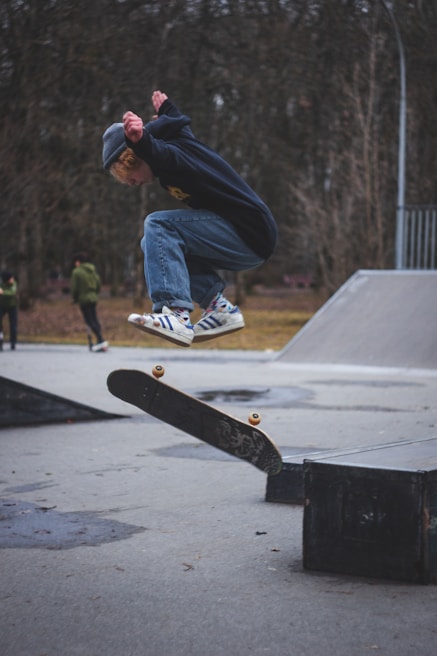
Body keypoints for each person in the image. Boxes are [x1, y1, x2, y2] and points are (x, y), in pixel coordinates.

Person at [102, 89, 277, 347]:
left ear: (133, 159)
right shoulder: (181, 146)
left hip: (248, 229)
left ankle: (175, 314)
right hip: (248, 237)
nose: (130, 183)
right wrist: (167, 111)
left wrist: (141, 141)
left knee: (157, 225)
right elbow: (178, 126)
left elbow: (163, 155)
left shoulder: (173, 157)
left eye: (127, 175)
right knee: (154, 244)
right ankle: (219, 310)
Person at [70, 253, 108, 352]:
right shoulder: (92, 270)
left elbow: (74, 288)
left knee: (89, 320)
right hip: (93, 298)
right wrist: (95, 293)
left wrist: (74, 298)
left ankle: (100, 339)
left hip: (83, 298)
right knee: (94, 318)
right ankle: (100, 338)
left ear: (78, 262)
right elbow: (98, 283)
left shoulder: (76, 272)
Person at [0, 271, 18, 351]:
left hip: (12, 306)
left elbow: (12, 292)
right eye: (10, 278)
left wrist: (2, 292)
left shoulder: (14, 284)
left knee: (13, 325)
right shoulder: (1, 283)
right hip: (1, 306)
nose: (12, 279)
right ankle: (0, 341)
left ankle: (13, 342)